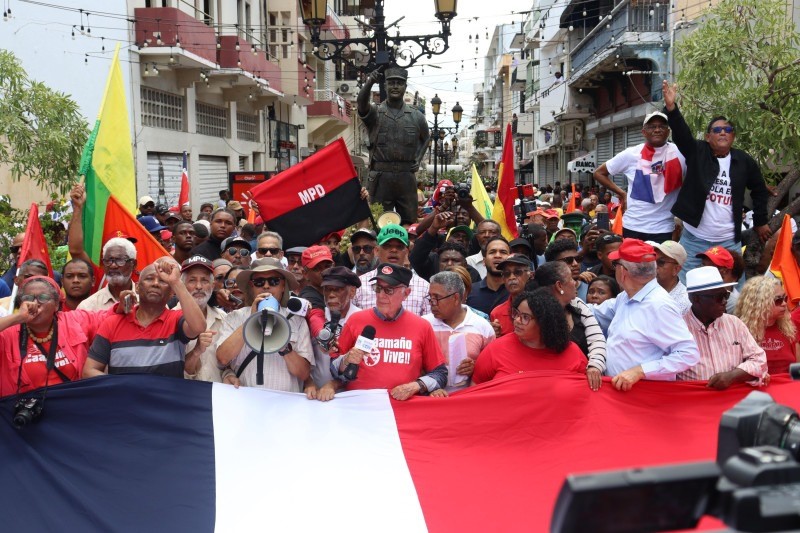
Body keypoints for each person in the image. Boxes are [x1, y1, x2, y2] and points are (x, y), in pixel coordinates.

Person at [662, 80, 772, 277]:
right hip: (695, 239)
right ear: (707, 137)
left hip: (729, 241)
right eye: (717, 130)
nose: (723, 132)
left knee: (733, 289)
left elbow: (759, 190)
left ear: (733, 137)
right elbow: (682, 134)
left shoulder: (744, 160)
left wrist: (760, 221)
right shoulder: (697, 151)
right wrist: (672, 109)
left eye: (728, 130)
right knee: (686, 286)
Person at [590, 239, 699, 391]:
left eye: (616, 264)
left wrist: (640, 371)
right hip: (622, 393)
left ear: (623, 271)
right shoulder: (626, 297)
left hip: (647, 396)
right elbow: (595, 312)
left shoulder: (659, 305)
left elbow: (688, 354)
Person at [330, 263, 447, 399]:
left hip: (401, 406)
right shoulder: (355, 320)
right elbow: (333, 367)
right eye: (378, 288)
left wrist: (416, 385)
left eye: (389, 290)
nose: (381, 295)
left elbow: (440, 373)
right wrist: (345, 360)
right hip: (360, 404)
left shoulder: (422, 326)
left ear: (406, 293)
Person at [83, 258, 206, 378]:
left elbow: (199, 327)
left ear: (171, 293)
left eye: (163, 281)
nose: (155, 284)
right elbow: (89, 371)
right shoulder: (112, 323)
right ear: (137, 287)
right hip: (124, 392)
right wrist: (122, 385)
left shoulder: (176, 319)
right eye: (149, 278)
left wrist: (176, 282)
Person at [0, 276, 112, 395]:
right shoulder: (8, 333)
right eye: (27, 298)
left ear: (56, 304)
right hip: (25, 405)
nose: (34, 303)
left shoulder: (76, 320)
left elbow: (114, 315)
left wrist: (123, 301)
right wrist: (18, 317)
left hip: (73, 402)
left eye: (43, 298)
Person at [215, 258, 313, 391]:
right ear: (251, 286)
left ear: (283, 286)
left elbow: (304, 374)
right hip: (245, 399)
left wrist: (285, 348)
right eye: (259, 281)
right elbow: (222, 358)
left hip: (286, 401)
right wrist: (251, 319)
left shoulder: (297, 320)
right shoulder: (234, 317)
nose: (266, 286)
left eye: (274, 281)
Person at [472, 290, 597, 389]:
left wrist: (594, 368)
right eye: (516, 313)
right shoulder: (496, 349)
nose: (517, 320)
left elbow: (588, 392)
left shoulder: (572, 352)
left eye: (525, 317)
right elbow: (475, 389)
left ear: (544, 323)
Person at [593, 111, 686, 243]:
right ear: (644, 132)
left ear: (668, 131)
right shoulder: (632, 153)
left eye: (662, 126)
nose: (657, 129)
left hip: (663, 228)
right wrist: (622, 194)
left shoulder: (680, 153)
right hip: (633, 225)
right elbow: (599, 173)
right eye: (652, 126)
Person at [358, 67, 430, 224]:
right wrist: (369, 82)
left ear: (405, 87)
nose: (395, 86)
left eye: (399, 83)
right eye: (391, 83)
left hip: (406, 177)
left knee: (409, 222)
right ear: (385, 86)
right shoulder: (376, 112)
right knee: (379, 222)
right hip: (381, 177)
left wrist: (418, 158)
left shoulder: (417, 116)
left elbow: (426, 138)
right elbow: (361, 105)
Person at [677, 266, 766, 388]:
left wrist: (733, 376)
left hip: (731, 396)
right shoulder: (678, 328)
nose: (724, 301)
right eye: (719, 297)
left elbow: (760, 360)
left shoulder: (734, 324)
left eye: (726, 295)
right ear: (695, 299)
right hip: (693, 397)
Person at [532, 261, 607, 388]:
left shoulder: (578, 304)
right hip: (548, 383)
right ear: (559, 286)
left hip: (584, 382)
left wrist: (595, 365)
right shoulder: (533, 312)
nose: (575, 282)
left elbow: (597, 339)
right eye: (571, 278)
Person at [422, 270, 495, 396]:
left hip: (469, 398)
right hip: (430, 399)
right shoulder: (423, 325)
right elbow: (413, 366)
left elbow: (492, 368)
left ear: (456, 298)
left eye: (437, 298)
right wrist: (431, 387)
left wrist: (475, 368)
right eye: (430, 297)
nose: (432, 303)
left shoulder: (483, 327)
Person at [304, 266, 362, 401]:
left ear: (352, 292)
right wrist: (308, 382)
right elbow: (304, 354)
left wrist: (333, 384)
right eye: (327, 289)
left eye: (338, 289)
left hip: (350, 396)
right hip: (314, 396)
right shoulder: (315, 316)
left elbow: (364, 366)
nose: (331, 295)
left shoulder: (362, 319)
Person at [353, 225, 431, 316]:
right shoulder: (359, 285)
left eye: (399, 246)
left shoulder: (424, 288)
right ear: (376, 251)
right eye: (387, 246)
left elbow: (429, 323)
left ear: (406, 252)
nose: (394, 250)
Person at [736, 276, 799, 375]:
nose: (784, 304)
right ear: (760, 303)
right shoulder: (741, 331)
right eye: (778, 300)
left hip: (788, 382)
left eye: (785, 298)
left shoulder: (790, 328)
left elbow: (797, 369)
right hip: (759, 384)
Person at [178, 256, 226, 383]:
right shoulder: (170, 318)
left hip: (217, 393)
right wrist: (196, 351)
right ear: (182, 285)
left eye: (204, 280)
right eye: (192, 280)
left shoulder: (223, 318)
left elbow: (230, 365)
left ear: (213, 285)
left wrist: (229, 374)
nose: (198, 286)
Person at [77, 238, 138, 312]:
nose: (113, 265)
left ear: (133, 264)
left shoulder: (146, 301)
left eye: (120, 260)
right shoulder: (87, 307)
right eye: (108, 260)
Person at [465, 236, 510, 316]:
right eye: (492, 252)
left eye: (503, 252)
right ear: (484, 261)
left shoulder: (518, 292)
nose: (497, 255)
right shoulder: (468, 292)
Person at [489, 255, 533, 337]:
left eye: (518, 272)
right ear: (503, 279)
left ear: (530, 275)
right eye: (506, 274)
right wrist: (493, 335)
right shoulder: (496, 313)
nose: (511, 277)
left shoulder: (541, 309)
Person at [696, 246, 743, 313]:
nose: (703, 270)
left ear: (725, 272)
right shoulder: (695, 291)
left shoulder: (735, 303)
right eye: (703, 265)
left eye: (710, 268)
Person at [649, 240, 691, 315]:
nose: (654, 266)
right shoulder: (645, 284)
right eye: (653, 260)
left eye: (661, 262)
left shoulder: (684, 301)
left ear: (676, 269)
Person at [299, 245, 334, 310]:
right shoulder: (308, 298)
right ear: (305, 274)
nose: (324, 272)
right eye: (317, 269)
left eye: (327, 266)